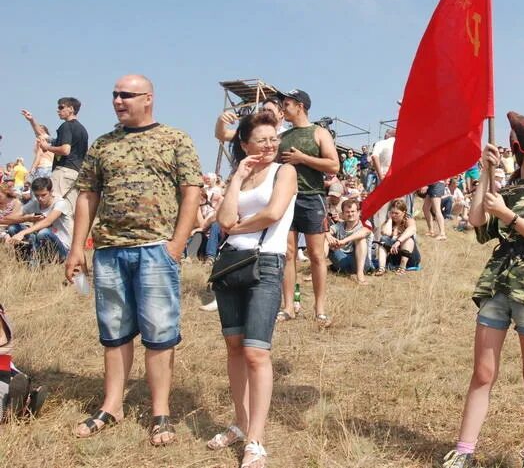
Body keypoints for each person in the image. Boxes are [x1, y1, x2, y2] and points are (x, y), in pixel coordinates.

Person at [65, 74, 203, 445]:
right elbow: (87, 196)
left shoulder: (175, 139)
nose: (118, 101)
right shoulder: (103, 145)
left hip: (156, 250)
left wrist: (176, 244)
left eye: (126, 95)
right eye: (114, 95)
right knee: (114, 332)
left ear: (148, 98)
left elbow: (191, 193)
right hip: (109, 251)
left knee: (160, 334)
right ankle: (112, 406)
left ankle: (160, 412)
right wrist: (78, 247)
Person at [442, 112, 524, 468]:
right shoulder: (507, 191)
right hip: (497, 285)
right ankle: (464, 451)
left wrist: (510, 217)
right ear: (523, 151)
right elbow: (477, 222)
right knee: (482, 372)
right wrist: (485, 173)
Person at [206, 111, 297, 467]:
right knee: (234, 347)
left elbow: (273, 213)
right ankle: (240, 423)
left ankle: (256, 440)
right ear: (245, 144)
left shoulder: (284, 171)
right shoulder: (239, 176)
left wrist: (238, 227)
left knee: (257, 353)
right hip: (231, 266)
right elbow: (222, 219)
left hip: (266, 264)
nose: (271, 144)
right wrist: (238, 177)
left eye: (274, 138)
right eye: (262, 139)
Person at [277, 88, 339, 327]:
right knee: (288, 254)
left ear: (300, 105)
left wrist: (303, 158)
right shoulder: (283, 136)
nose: (284, 107)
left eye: (288, 103)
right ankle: (288, 307)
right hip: (287, 199)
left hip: (312, 199)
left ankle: (320, 309)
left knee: (315, 255)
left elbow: (333, 165)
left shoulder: (319, 133)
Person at [24, 98, 89, 212]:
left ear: (71, 109)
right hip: (75, 173)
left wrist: (47, 148)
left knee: (50, 205)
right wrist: (32, 120)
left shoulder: (66, 126)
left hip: (63, 172)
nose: (58, 110)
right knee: (68, 210)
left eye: (61, 107)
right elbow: (44, 136)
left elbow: (65, 150)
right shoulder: (82, 129)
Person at [3, 177, 73, 264]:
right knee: (13, 228)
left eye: (43, 195)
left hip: (61, 249)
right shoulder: (36, 203)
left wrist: (22, 233)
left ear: (51, 192)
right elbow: (13, 216)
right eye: (37, 195)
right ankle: (25, 261)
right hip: (39, 242)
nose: (40, 198)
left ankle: (36, 261)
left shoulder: (60, 203)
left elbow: (48, 221)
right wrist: (27, 218)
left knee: (43, 232)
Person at [326, 198, 373, 285]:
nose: (350, 214)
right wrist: (328, 235)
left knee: (361, 240)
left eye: (352, 211)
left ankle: (360, 275)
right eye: (347, 212)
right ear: (343, 214)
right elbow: (328, 231)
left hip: (362, 264)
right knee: (326, 238)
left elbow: (364, 232)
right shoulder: (339, 225)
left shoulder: (365, 224)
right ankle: (317, 269)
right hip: (342, 261)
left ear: (359, 212)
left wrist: (344, 241)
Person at [215, 95, 288, 143]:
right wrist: (221, 121)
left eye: (270, 111)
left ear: (281, 114)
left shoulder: (288, 135)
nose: (265, 113)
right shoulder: (253, 131)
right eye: (263, 110)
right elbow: (222, 135)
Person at [375, 199, 420, 275]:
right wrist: (389, 219)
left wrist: (398, 242)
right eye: (392, 213)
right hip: (395, 257)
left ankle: (402, 268)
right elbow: (385, 233)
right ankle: (381, 268)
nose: (394, 215)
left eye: (397, 213)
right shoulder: (390, 222)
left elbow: (412, 229)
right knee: (383, 239)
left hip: (410, 257)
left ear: (403, 213)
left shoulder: (409, 220)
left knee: (407, 240)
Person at [368, 129, 396, 237]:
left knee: (381, 211)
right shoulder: (401, 145)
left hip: (384, 178)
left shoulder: (381, 143)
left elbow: (374, 156)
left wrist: (380, 175)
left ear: (386, 135)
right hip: (398, 180)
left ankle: (378, 239)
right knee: (398, 209)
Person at [21, 110, 54, 180]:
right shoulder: (52, 142)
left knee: (37, 190)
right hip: (50, 168)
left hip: (43, 168)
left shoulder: (42, 140)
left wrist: (33, 168)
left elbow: (39, 155)